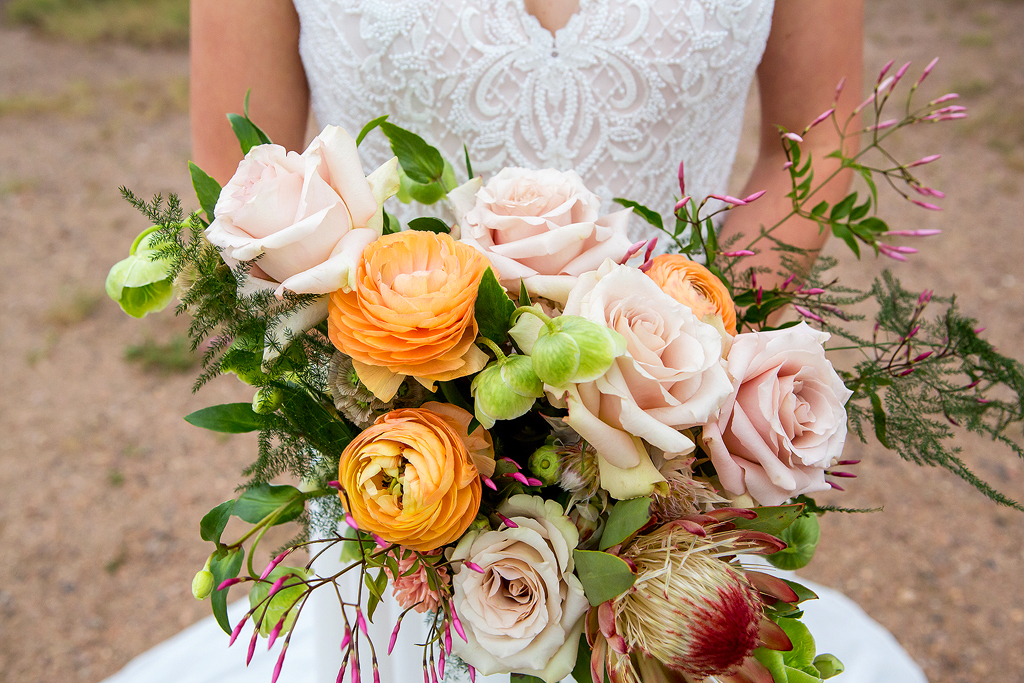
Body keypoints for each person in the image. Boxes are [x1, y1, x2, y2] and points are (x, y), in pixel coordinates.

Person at [98, 1, 929, 682]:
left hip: (673, 444)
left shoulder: (678, 408)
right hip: (399, 461)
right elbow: (242, 167)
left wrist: (687, 369)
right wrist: (414, 412)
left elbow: (816, 138)